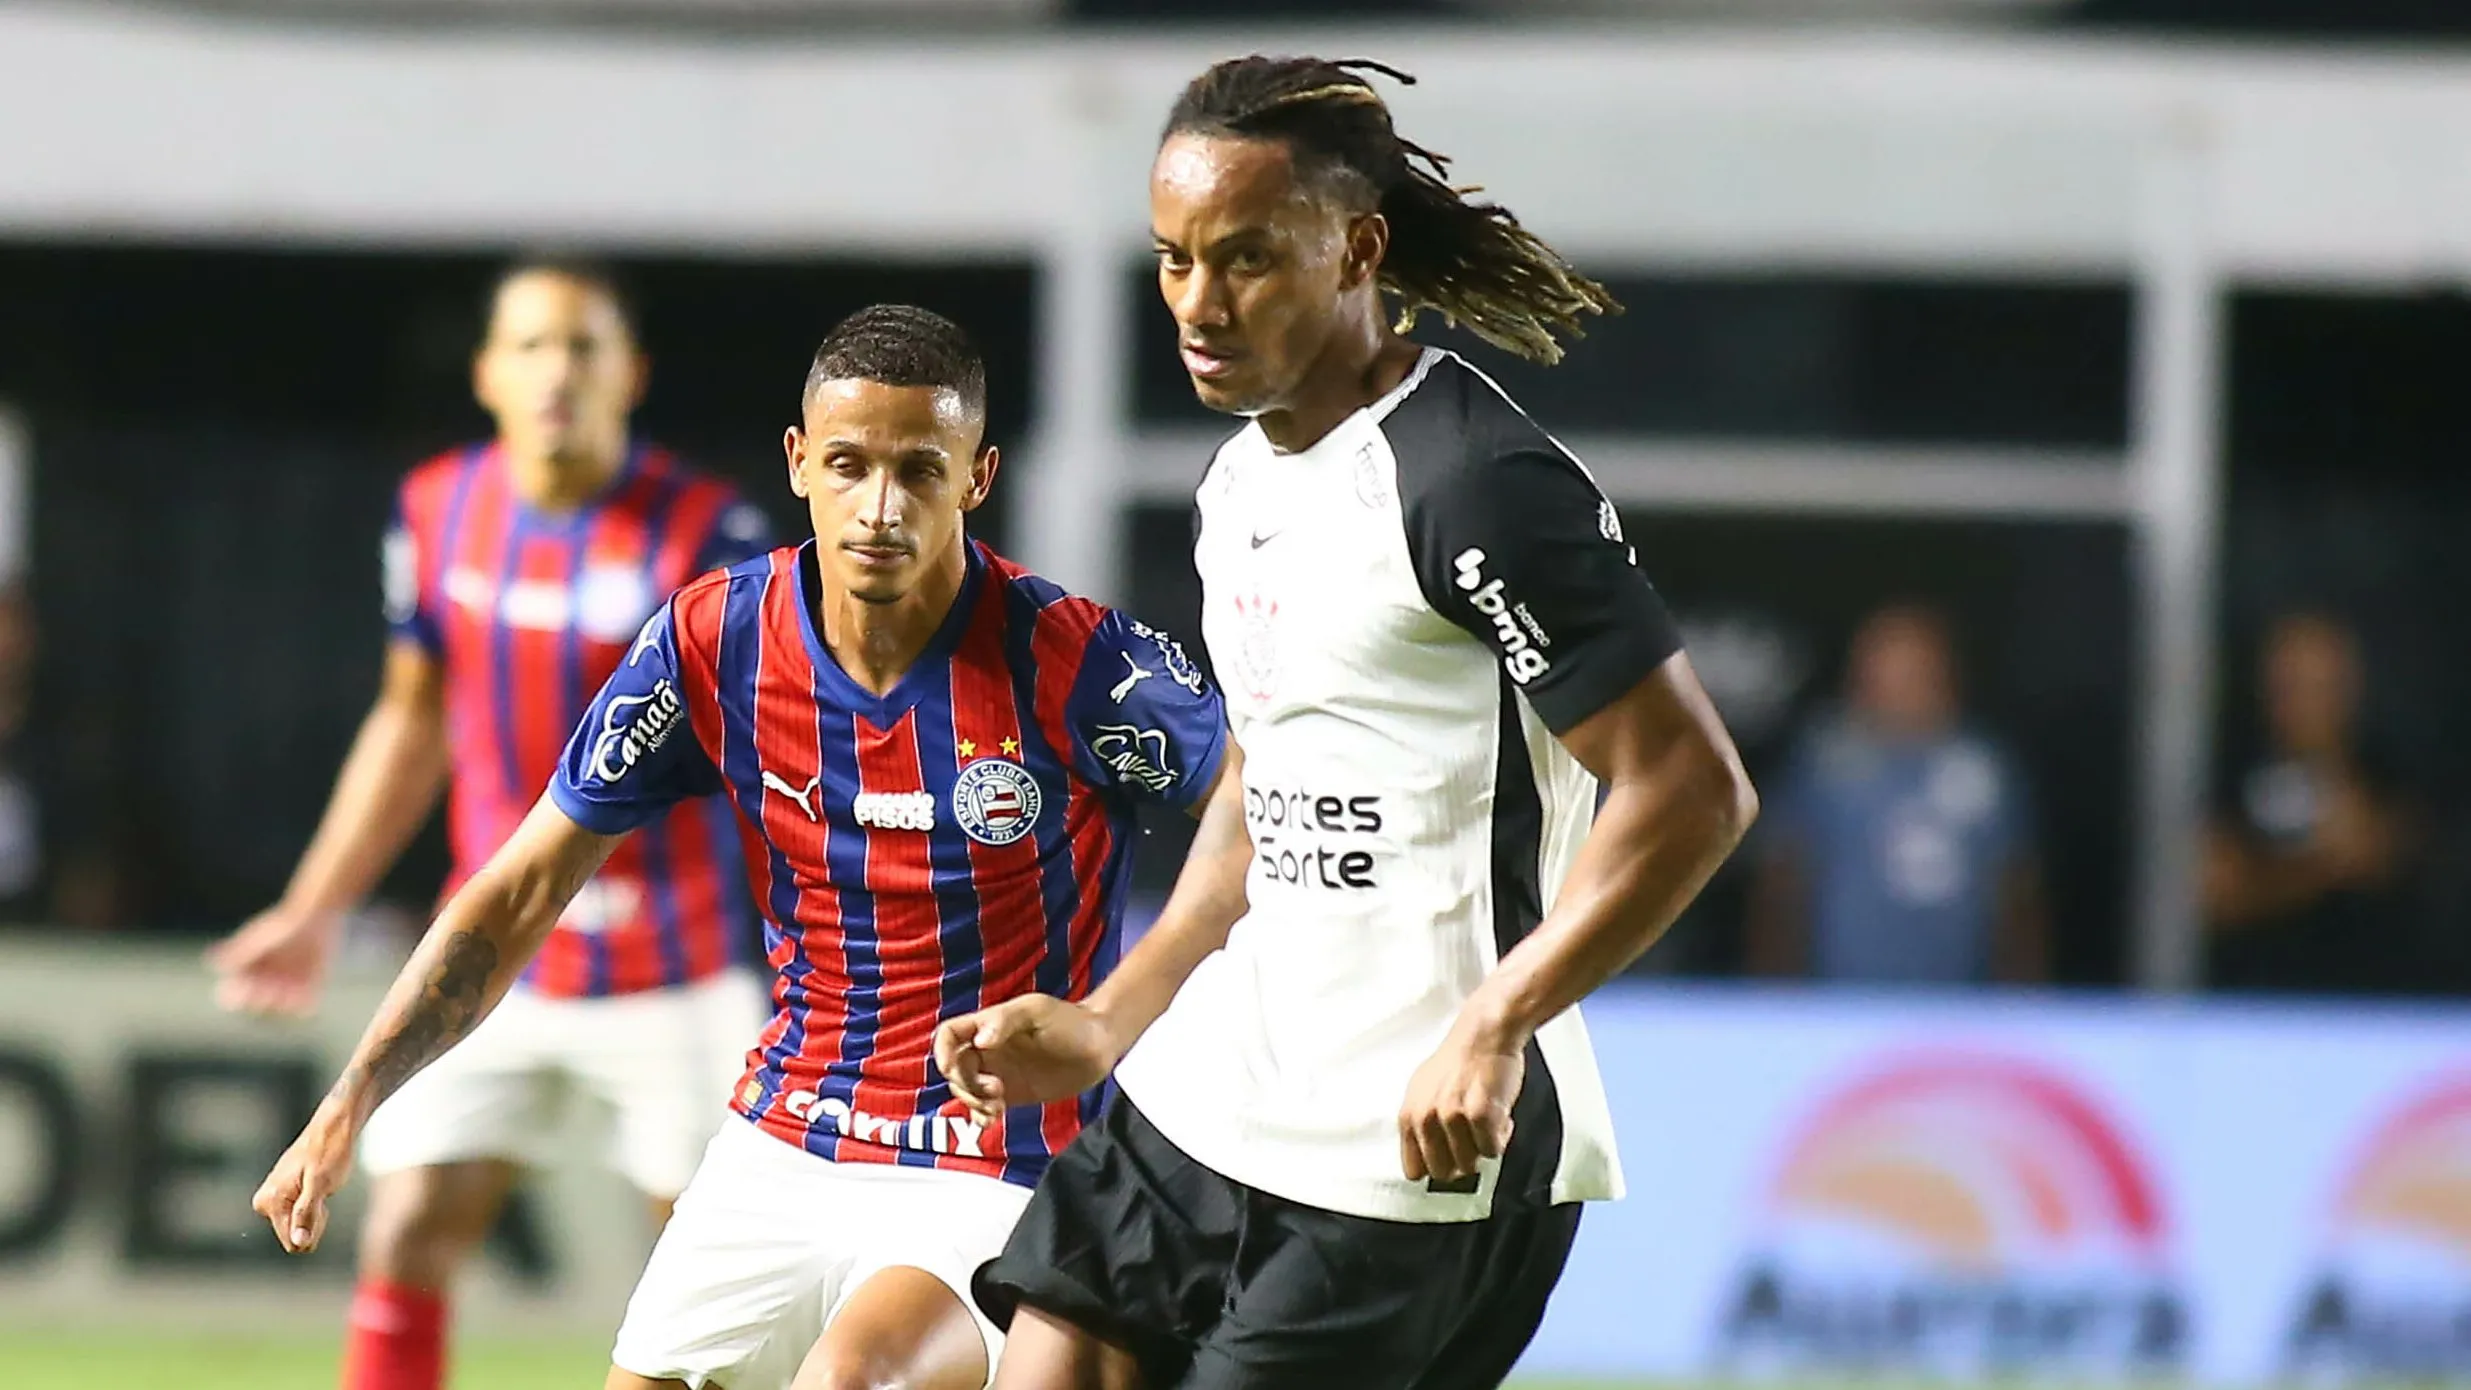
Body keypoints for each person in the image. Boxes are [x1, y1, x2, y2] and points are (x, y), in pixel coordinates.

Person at [935, 56, 1758, 1390]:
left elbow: (1689, 789)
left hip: (1412, 1141)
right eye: (1172, 260)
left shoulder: (1471, 481)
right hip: (1218, 1084)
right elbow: (1266, 780)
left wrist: (1493, 1023)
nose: (1198, 305)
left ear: (1354, 248)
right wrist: (1107, 1019)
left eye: (1246, 258)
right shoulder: (1239, 476)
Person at [249, 304, 1229, 1390]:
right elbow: (524, 884)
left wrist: (1106, 1022)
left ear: (977, 477)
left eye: (920, 469)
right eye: (850, 466)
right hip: (787, 1133)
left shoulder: (1078, 661)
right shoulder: (714, 639)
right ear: (799, 462)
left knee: (848, 1380)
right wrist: (352, 1097)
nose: (881, 507)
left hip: (996, 1162)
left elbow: (1255, 809)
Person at [208, 259, 775, 1390]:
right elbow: (410, 720)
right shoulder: (436, 509)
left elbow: (772, 756)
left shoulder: (711, 532)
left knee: (711, 1292)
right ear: (485, 374)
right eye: (531, 346)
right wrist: (315, 908)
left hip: (676, 967)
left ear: (631, 372)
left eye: (584, 346)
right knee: (407, 1227)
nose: (557, 371)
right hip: (495, 965)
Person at [1746, 602, 2046, 985]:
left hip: (1961, 1002)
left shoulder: (1984, 769)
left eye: (1912, 671)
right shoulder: (1825, 763)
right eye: (1883, 669)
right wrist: (1774, 997)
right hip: (1840, 1000)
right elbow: (1781, 888)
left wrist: (2024, 1001)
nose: (1897, 686)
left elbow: (2017, 895)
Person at [2202, 609, 2419, 992]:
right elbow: (2215, 891)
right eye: (2291, 684)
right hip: (2246, 1000)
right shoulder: (2227, 769)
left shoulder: (2387, 771)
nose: (2304, 702)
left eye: (2320, 686)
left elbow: (2380, 854)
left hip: (2368, 1001)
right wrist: (2318, 868)